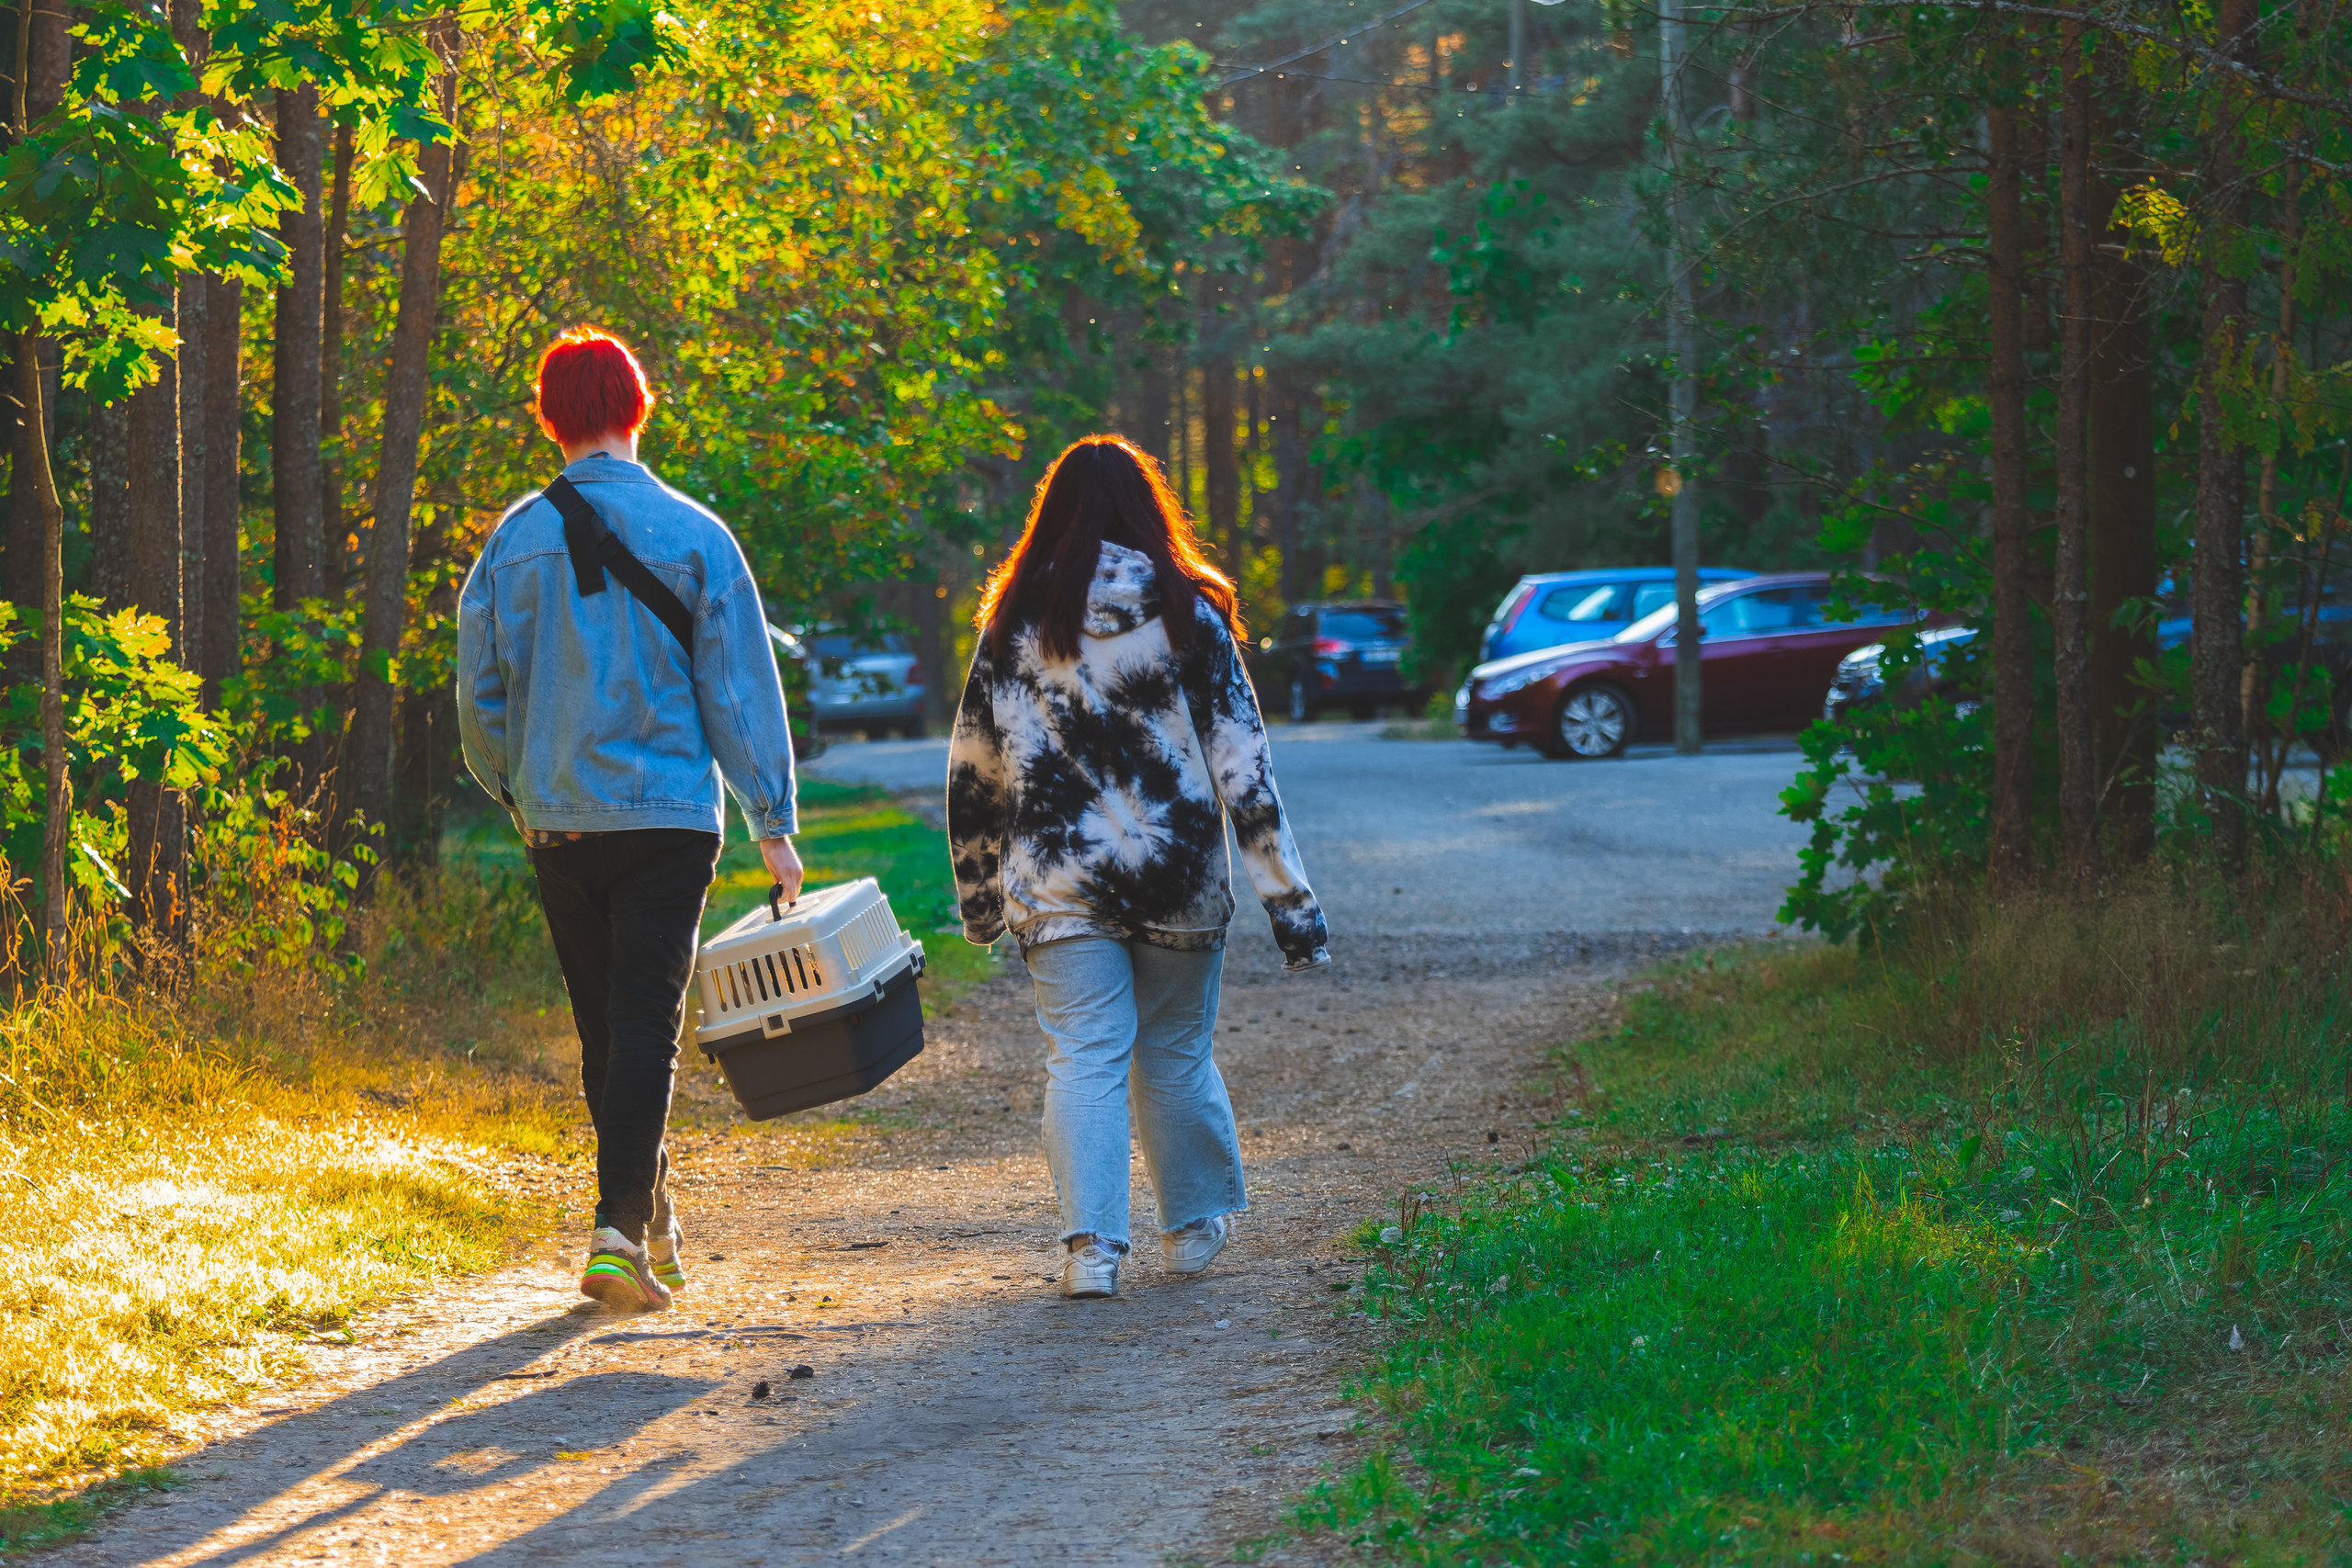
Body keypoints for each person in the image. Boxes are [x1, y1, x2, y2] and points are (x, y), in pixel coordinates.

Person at [458, 326, 805, 1313]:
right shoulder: (696, 534)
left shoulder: (511, 541)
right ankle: (617, 1233)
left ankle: (646, 1219)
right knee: (645, 1021)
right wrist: (771, 819)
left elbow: (477, 689)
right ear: (637, 408)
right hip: (665, 817)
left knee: (605, 1027)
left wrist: (514, 787)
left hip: (559, 817)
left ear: (550, 417)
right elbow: (736, 692)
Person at [947, 435, 1329, 1301]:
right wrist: (1292, 908)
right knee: (1174, 1048)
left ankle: (1091, 1251)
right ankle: (1191, 1230)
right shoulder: (1191, 613)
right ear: (1150, 510)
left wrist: (979, 899)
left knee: (1082, 1053)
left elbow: (975, 773)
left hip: (1058, 876)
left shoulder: (1014, 621)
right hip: (1178, 873)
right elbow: (1245, 771)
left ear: (1054, 514)